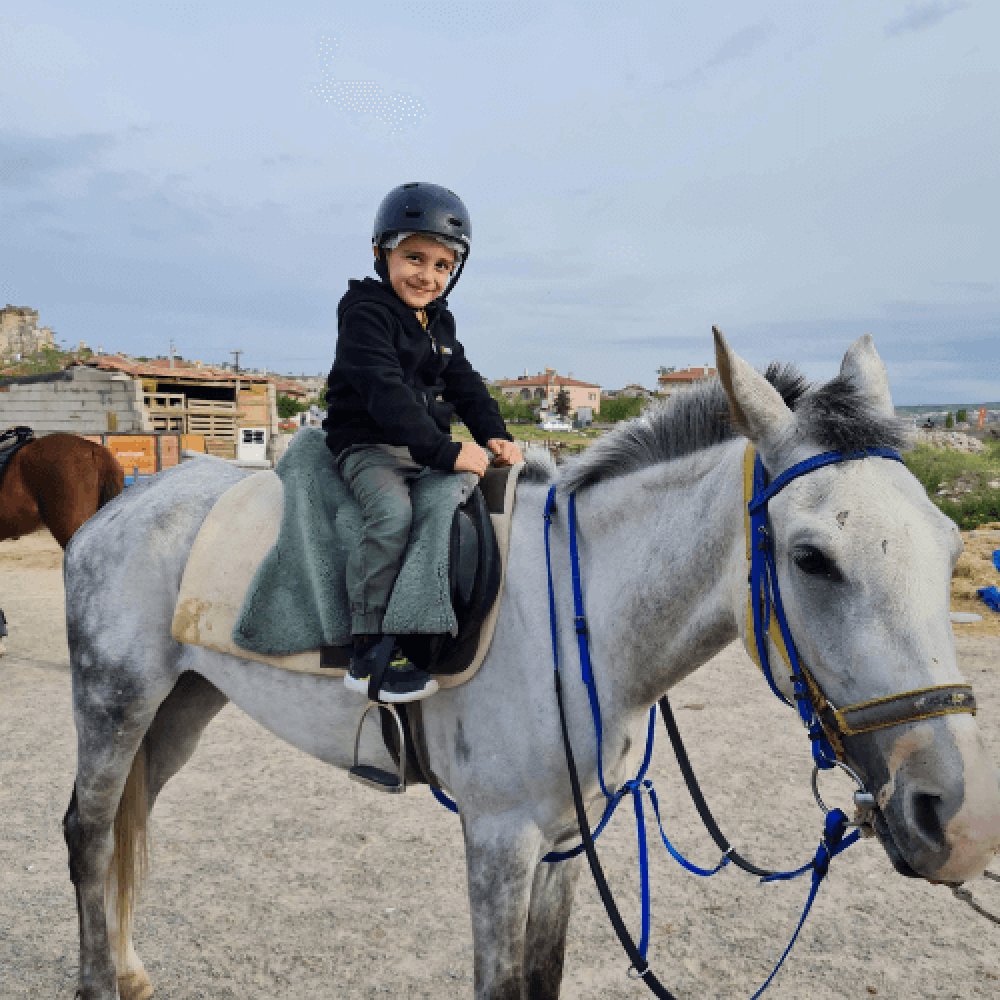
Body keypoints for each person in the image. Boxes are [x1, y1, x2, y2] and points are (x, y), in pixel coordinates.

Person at [323, 182, 523, 703]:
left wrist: (494, 433)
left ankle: (431, 620)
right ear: (380, 253)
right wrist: (445, 450)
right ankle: (367, 645)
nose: (427, 276)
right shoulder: (364, 313)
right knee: (390, 515)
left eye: (442, 265)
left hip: (423, 445)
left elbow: (465, 383)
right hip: (370, 445)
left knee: (465, 511)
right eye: (414, 258)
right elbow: (385, 394)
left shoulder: (438, 320)